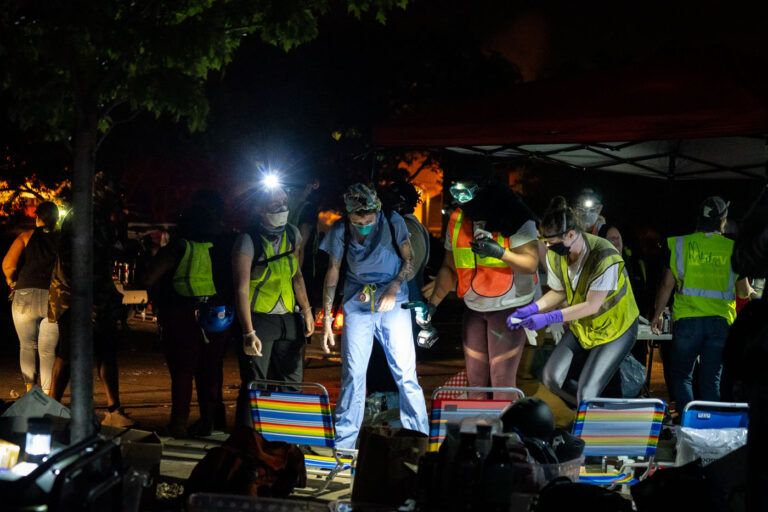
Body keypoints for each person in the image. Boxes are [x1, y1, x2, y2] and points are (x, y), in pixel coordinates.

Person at [319, 183, 428, 448]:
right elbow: (332, 272)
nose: (364, 225)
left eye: (369, 220)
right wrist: (327, 320)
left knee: (405, 373)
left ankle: (418, 440)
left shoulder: (392, 221)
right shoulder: (340, 229)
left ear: (377, 211)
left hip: (393, 298)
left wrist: (394, 287)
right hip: (357, 301)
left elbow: (409, 261)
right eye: (358, 221)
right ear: (349, 215)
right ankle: (343, 446)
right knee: (353, 375)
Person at [509, 196, 640, 406]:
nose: (547, 246)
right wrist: (532, 309)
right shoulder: (558, 253)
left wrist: (546, 318)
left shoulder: (604, 255)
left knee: (587, 391)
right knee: (550, 378)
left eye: (550, 241)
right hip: (585, 326)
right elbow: (559, 292)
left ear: (570, 234)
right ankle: (589, 413)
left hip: (617, 327)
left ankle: (590, 419)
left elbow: (592, 305)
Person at [421, 174, 539, 399]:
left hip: (510, 307)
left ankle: (505, 433)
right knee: (475, 383)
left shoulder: (517, 216)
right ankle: (478, 431)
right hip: (474, 307)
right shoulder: (458, 218)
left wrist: (500, 252)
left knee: (502, 383)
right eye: (456, 192)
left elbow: (531, 264)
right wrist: (433, 305)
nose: (461, 200)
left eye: (467, 191)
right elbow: (450, 269)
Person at [144, 191, 236, 437]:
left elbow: (149, 277)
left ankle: (179, 423)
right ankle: (210, 421)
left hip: (182, 315)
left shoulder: (178, 247)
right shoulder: (227, 245)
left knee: (183, 370)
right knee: (211, 369)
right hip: (218, 316)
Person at [650, 196, 751, 412]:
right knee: (710, 381)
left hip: (687, 322)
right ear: (722, 220)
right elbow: (743, 291)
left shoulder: (680, 244)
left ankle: (689, 426)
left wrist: (657, 314)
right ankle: (709, 433)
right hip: (720, 324)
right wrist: (753, 291)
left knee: (681, 377)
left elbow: (667, 284)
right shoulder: (733, 248)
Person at [48, 178, 135, 427]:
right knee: (67, 351)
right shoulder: (83, 218)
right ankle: (54, 405)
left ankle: (113, 409)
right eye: (116, 198)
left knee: (106, 351)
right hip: (73, 297)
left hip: (95, 295)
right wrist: (87, 300)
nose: (120, 204)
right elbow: (72, 261)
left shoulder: (99, 219)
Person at [232, 184, 314, 428]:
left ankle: (286, 439)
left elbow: (296, 276)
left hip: (288, 318)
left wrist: (307, 311)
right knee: (255, 383)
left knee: (292, 382)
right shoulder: (247, 240)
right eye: (274, 205)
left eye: (284, 204)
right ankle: (247, 441)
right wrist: (248, 332)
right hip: (259, 319)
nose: (282, 209)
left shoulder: (293, 234)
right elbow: (241, 289)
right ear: (259, 209)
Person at [3, 202, 60, 395]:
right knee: (48, 350)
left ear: (37, 217)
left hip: (25, 296)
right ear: (57, 219)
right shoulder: (63, 240)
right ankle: (46, 393)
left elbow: (9, 266)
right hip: (53, 297)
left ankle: (29, 390)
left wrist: (12, 282)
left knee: (27, 345)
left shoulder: (26, 236)